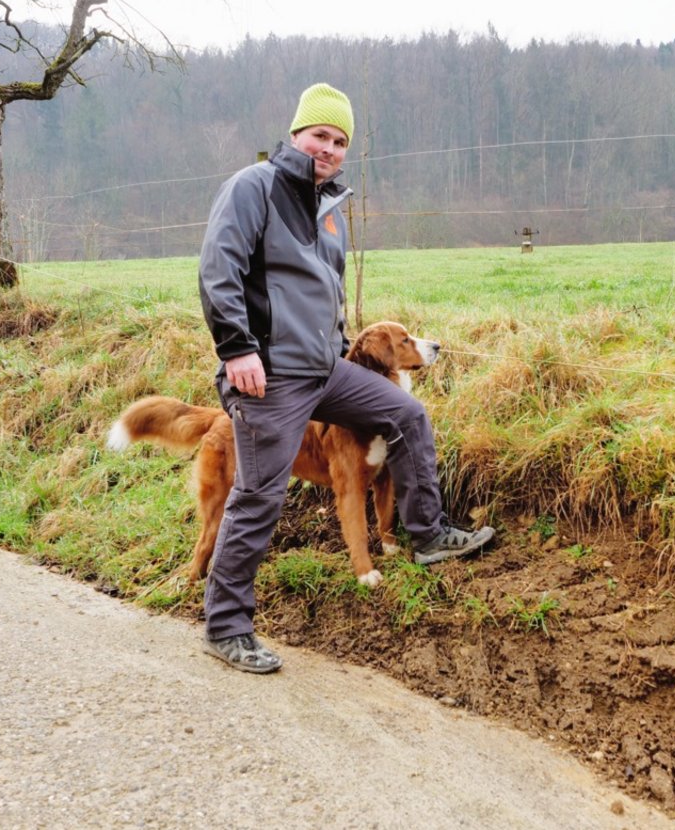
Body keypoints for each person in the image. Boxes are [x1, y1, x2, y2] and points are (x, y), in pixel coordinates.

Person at [197, 83, 495, 674]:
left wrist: (338, 353)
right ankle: (226, 625)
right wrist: (237, 349)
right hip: (269, 376)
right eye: (320, 136)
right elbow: (218, 267)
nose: (329, 148)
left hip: (323, 370)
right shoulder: (253, 188)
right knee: (260, 493)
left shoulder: (328, 210)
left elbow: (322, 299)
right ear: (296, 135)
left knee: (405, 414)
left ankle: (427, 533)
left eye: (340, 141)